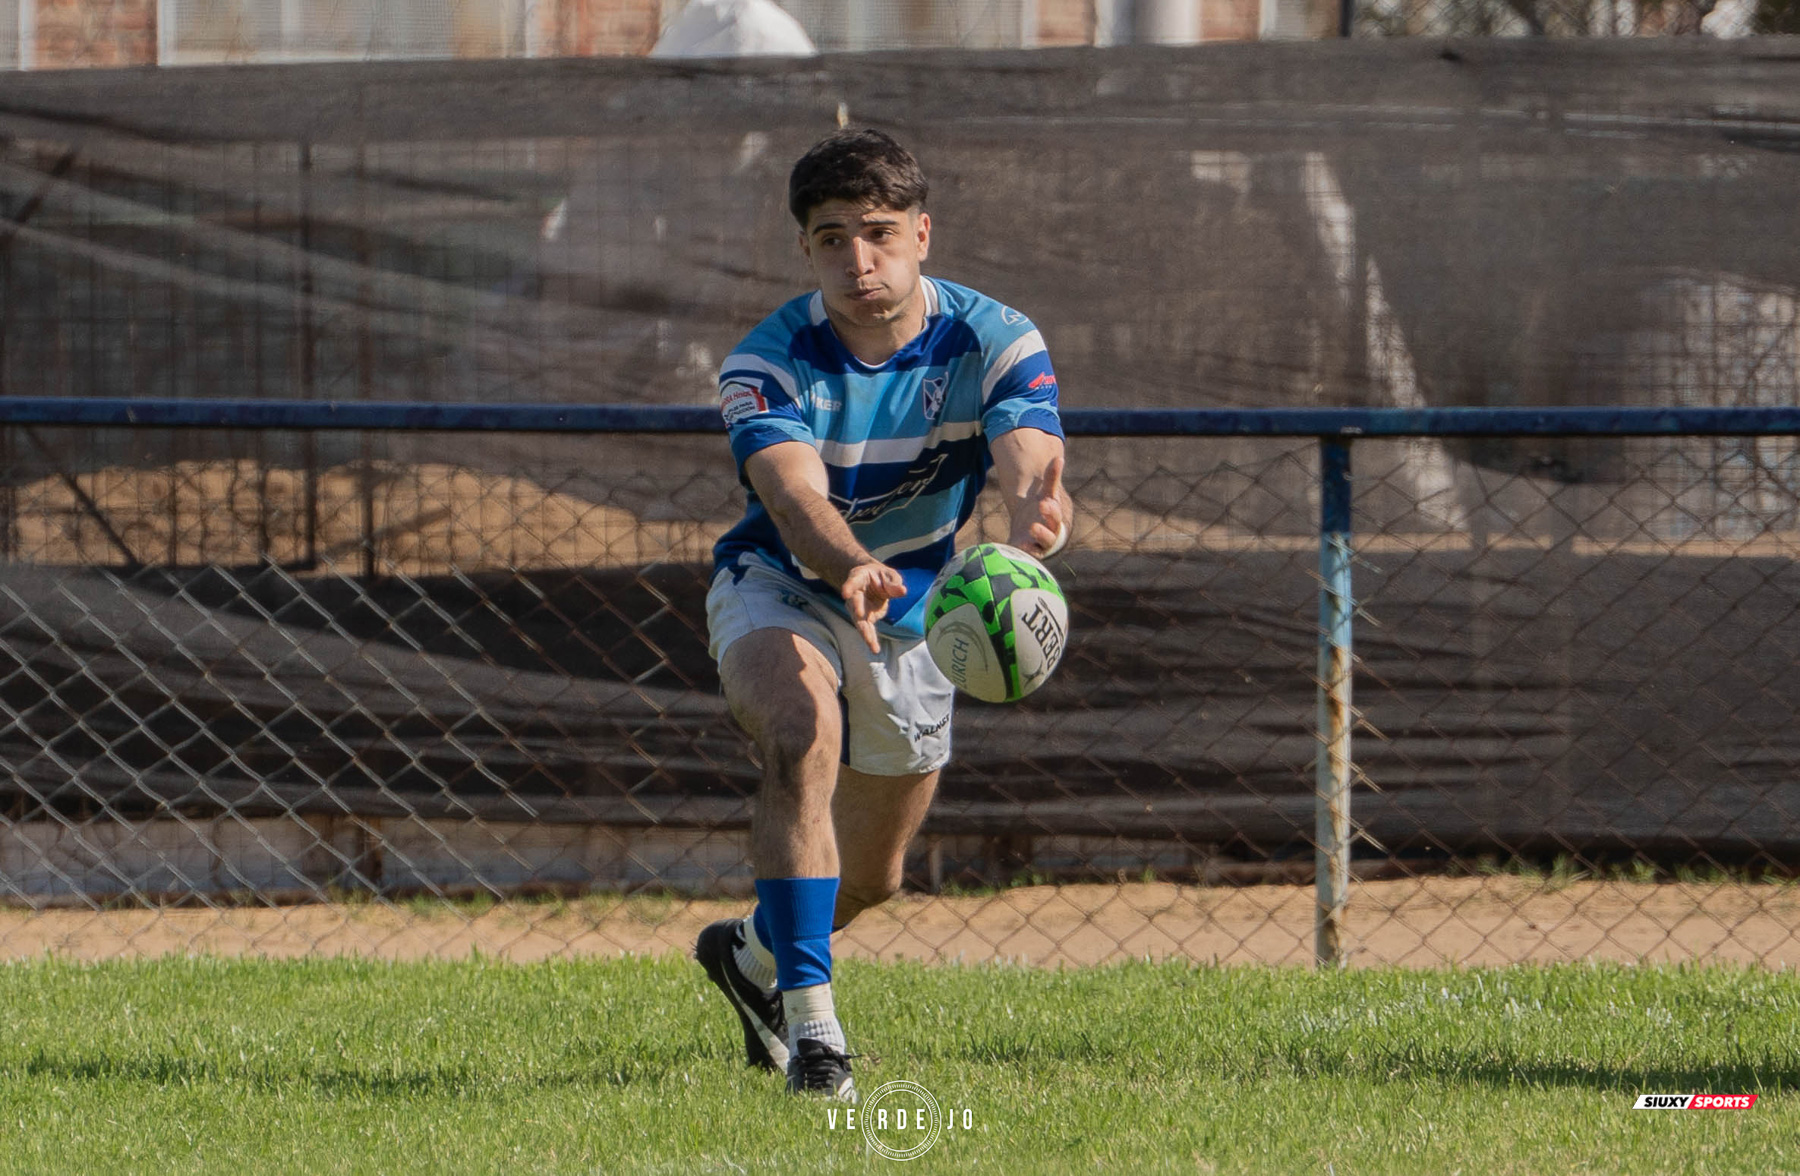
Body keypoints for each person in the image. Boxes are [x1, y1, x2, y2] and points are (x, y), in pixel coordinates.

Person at [695, 128, 1070, 1101]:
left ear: (922, 234)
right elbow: (793, 500)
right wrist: (852, 564)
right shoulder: (765, 364)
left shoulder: (996, 337)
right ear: (805, 249)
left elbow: (1027, 450)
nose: (859, 261)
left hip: (920, 617)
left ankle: (749, 955)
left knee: (871, 879)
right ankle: (816, 1037)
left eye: (878, 233)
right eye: (832, 239)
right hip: (782, 586)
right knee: (799, 733)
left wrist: (1033, 509)